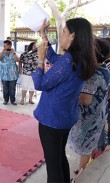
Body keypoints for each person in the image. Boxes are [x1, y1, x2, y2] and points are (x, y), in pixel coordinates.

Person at [32, 18, 97, 183]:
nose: (61, 35)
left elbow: (40, 84)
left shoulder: (69, 60)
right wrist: (43, 35)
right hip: (65, 118)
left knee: (53, 166)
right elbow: (55, 59)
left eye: (64, 32)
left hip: (52, 119)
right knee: (60, 156)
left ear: (73, 36)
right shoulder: (80, 58)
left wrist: (40, 60)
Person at [68, 38, 110, 175]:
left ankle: (83, 174)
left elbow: (85, 100)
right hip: (100, 114)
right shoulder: (105, 69)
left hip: (89, 118)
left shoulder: (92, 75)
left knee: (85, 147)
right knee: (93, 143)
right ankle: (92, 163)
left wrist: (66, 94)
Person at [0, 40, 19, 105]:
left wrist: (14, 53)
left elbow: (18, 60)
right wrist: (2, 52)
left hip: (13, 74)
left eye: (5, 45)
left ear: (9, 46)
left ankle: (13, 100)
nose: (4, 47)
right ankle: (5, 100)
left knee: (12, 89)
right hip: (4, 74)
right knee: (5, 89)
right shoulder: (3, 53)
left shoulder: (14, 53)